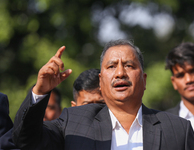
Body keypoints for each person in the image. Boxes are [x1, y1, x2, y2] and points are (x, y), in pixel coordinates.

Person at [13, 40, 194, 150]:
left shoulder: (178, 129)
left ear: (144, 80)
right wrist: (40, 91)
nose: (120, 73)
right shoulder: (74, 123)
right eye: (111, 66)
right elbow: (26, 140)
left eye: (129, 65)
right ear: (101, 81)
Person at [165, 42, 194, 129]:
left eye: (192, 71)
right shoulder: (165, 123)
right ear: (174, 82)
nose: (189, 80)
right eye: (180, 75)